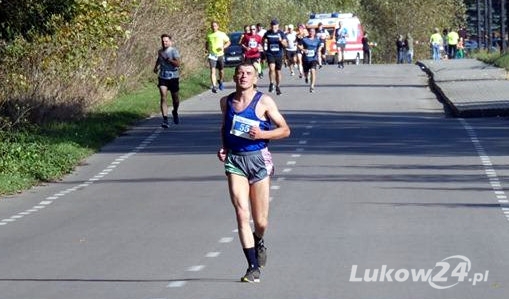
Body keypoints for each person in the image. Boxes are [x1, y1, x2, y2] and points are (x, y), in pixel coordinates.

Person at [218, 62, 291, 283]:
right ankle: (252, 267)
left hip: (259, 159)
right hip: (236, 161)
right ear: (234, 76)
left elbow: (285, 130)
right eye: (240, 73)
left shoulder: (264, 101)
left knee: (261, 221)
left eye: (248, 73)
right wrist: (224, 147)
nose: (243, 76)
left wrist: (261, 134)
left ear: (255, 78)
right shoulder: (226, 101)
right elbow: (225, 127)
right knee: (242, 213)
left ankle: (258, 239)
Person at [153, 34, 181, 128]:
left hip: (173, 77)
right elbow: (159, 59)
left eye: (166, 41)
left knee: (175, 99)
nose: (164, 43)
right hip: (163, 76)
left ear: (170, 41)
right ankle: (165, 119)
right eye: (163, 41)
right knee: (163, 96)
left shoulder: (174, 51)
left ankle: (175, 111)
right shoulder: (160, 51)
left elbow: (178, 64)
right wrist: (156, 67)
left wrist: (169, 60)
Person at [262, 19, 287, 95]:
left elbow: (285, 45)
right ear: (271, 26)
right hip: (270, 54)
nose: (274, 27)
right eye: (272, 25)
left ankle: (278, 86)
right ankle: (271, 83)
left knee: (278, 72)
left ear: (278, 26)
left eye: (275, 25)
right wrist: (264, 48)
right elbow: (263, 41)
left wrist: (281, 41)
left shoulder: (281, 33)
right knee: (271, 68)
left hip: (279, 54)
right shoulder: (267, 33)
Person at [206, 21, 231, 93]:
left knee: (221, 70)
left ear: (218, 26)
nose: (214, 27)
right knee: (212, 70)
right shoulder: (209, 35)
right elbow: (207, 42)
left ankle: (221, 81)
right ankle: (214, 86)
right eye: (212, 26)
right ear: (211, 27)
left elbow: (228, 42)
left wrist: (223, 47)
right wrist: (206, 49)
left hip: (220, 54)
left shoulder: (222, 34)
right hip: (212, 55)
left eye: (215, 26)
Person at [298, 27, 322, 93]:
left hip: (313, 58)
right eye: (310, 31)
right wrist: (303, 50)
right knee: (306, 73)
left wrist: (319, 50)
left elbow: (320, 46)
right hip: (305, 59)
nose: (312, 33)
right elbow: (299, 45)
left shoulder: (317, 40)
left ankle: (312, 86)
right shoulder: (304, 39)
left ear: (315, 33)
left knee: (312, 70)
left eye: (313, 32)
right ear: (309, 32)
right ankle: (306, 77)